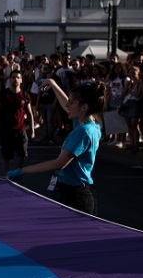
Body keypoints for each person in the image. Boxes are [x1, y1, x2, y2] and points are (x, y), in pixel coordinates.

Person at [8, 79, 106, 216]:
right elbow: (67, 105)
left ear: (85, 107)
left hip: (75, 195)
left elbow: (59, 163)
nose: (67, 105)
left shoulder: (83, 131)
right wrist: (52, 84)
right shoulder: (89, 123)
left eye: (72, 102)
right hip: (73, 191)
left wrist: (23, 170)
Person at [0, 70, 35, 174]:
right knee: (7, 156)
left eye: (17, 77)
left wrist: (32, 130)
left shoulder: (25, 94)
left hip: (21, 129)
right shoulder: (2, 94)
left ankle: (16, 173)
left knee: (22, 154)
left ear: (21, 80)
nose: (15, 79)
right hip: (6, 130)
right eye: (13, 77)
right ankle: (7, 174)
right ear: (10, 79)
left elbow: (30, 113)